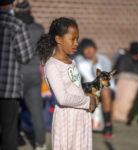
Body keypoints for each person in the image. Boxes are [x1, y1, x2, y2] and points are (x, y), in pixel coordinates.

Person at [36, 17, 97, 150]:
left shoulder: (72, 62)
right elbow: (62, 98)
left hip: (81, 116)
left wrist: (89, 102)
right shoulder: (52, 66)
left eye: (77, 39)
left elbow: (76, 89)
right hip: (67, 119)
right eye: (72, 39)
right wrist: (88, 101)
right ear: (58, 39)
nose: (76, 43)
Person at [0, 0, 34, 150]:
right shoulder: (17, 25)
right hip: (8, 88)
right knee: (9, 133)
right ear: (11, 5)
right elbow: (25, 56)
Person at [14, 1, 46, 149]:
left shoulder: (12, 28)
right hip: (34, 74)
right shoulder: (39, 28)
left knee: (12, 110)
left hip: (15, 74)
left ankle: (15, 139)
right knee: (36, 111)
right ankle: (41, 144)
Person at [75, 39, 115, 138]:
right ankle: (82, 126)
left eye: (91, 48)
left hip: (106, 88)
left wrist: (96, 64)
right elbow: (88, 79)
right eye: (86, 49)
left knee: (105, 92)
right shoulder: (79, 60)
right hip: (88, 88)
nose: (89, 51)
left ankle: (108, 125)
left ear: (95, 49)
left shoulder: (104, 60)